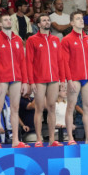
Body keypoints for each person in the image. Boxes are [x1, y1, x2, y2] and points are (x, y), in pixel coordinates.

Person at [0, 14, 28, 148]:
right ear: (0, 23)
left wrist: (25, 81)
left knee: (15, 108)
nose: (8, 21)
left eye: (10, 19)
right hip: (2, 79)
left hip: (16, 78)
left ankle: (15, 140)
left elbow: (22, 62)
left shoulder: (17, 39)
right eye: (5, 20)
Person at [61, 11, 88, 145]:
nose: (81, 21)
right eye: (78, 19)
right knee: (71, 107)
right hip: (75, 78)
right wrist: (69, 79)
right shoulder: (67, 39)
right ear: (72, 22)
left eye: (82, 19)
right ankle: (71, 138)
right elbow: (64, 61)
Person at [26, 14, 64, 147]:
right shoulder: (32, 40)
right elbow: (29, 62)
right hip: (39, 80)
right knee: (39, 108)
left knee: (52, 107)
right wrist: (31, 81)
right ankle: (38, 139)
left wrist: (62, 79)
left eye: (48, 20)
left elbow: (60, 61)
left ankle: (52, 139)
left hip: (53, 79)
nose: (47, 22)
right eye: (44, 20)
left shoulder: (55, 40)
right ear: (39, 24)